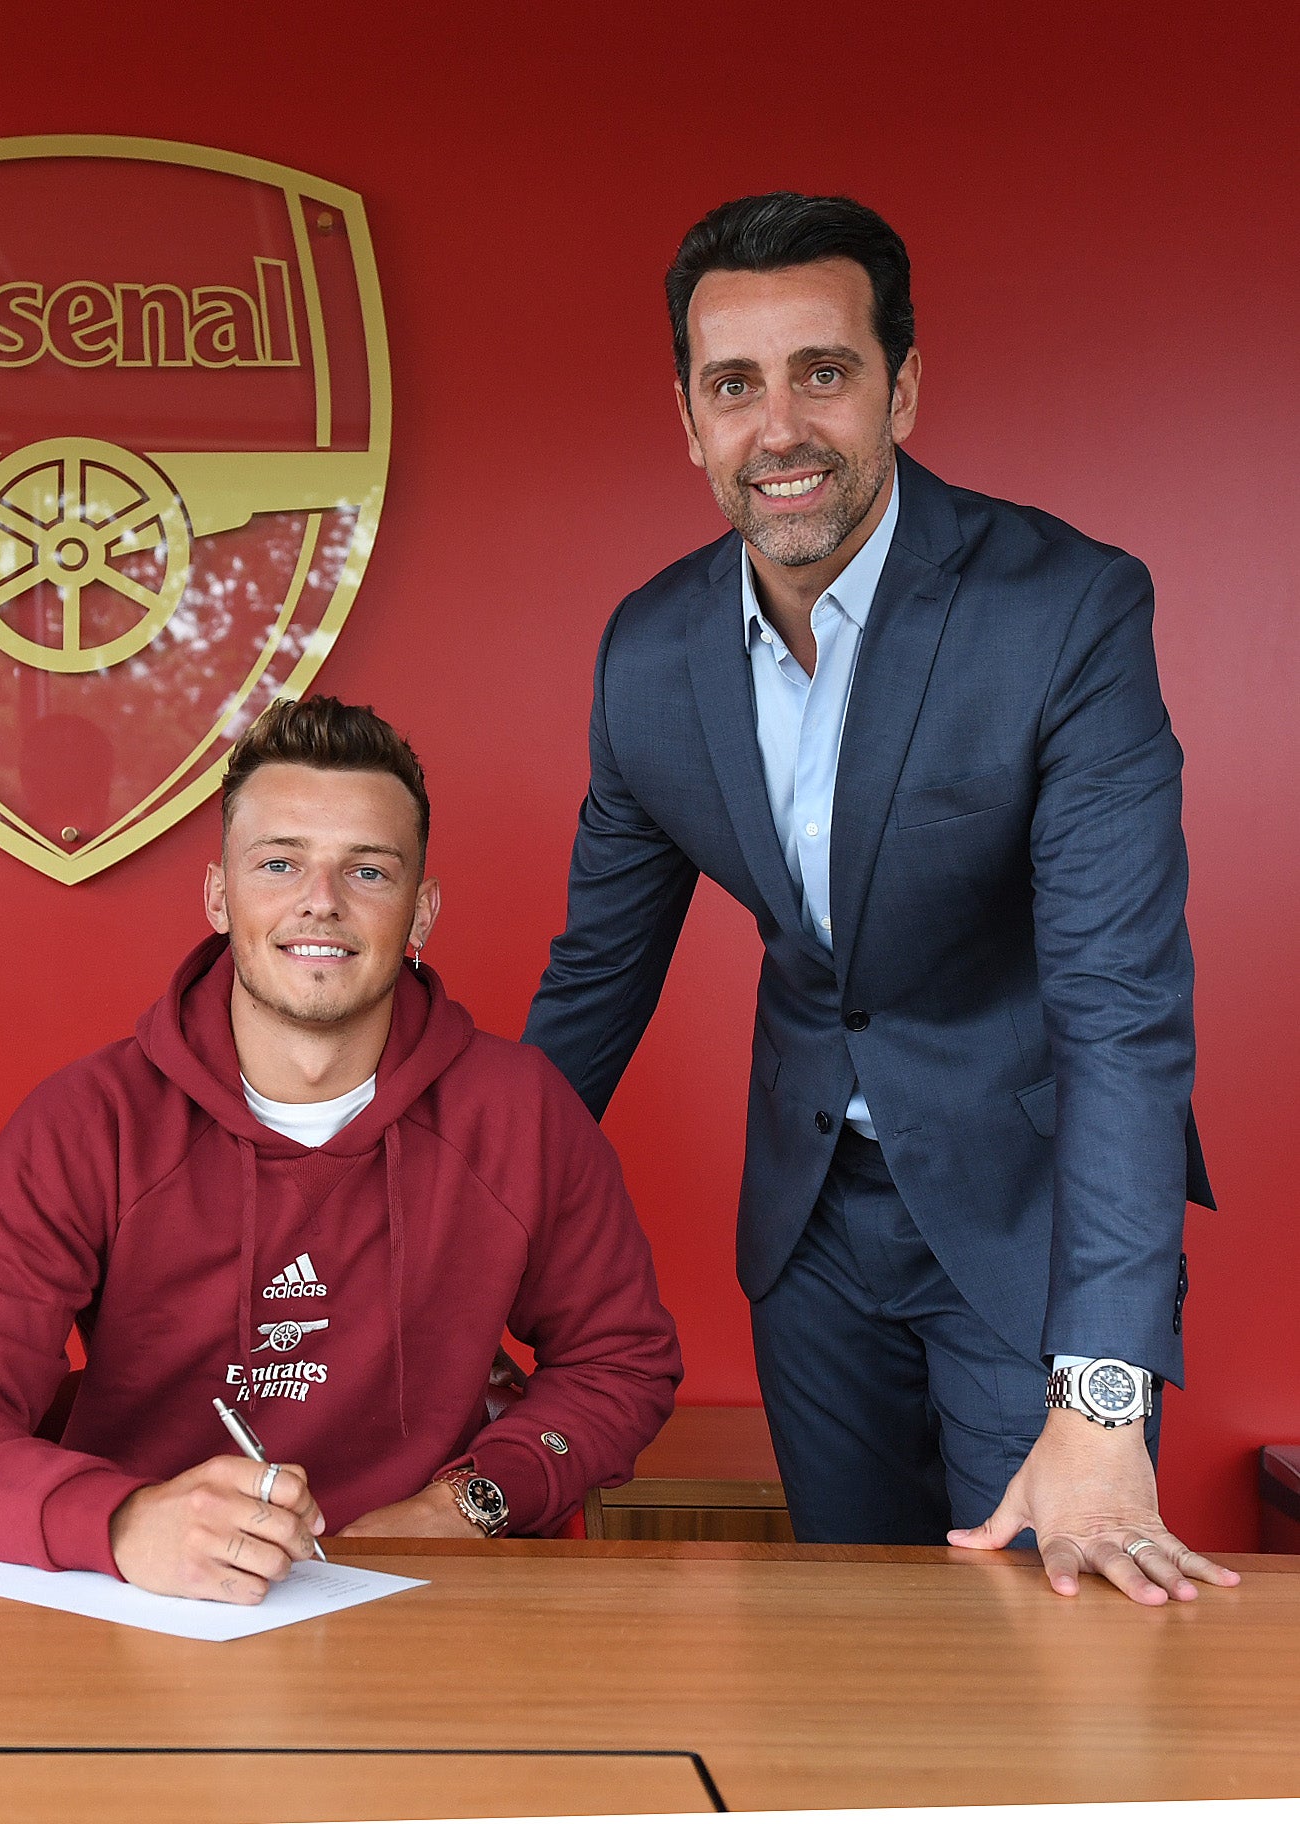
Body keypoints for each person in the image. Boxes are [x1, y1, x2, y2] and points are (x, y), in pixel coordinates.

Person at [523, 193, 1236, 1604]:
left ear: (900, 387)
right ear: (687, 418)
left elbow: (1116, 1010)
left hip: (1029, 1222)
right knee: (850, 1643)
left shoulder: (1063, 611)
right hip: (808, 1239)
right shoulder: (650, 654)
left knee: (1057, 1649)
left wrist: (1099, 1393)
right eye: (733, 386)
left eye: (822, 373)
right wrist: (440, 1239)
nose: (776, 428)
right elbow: (592, 991)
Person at [0, 697, 679, 1601]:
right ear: (220, 896)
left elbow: (622, 1363)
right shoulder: (90, 1122)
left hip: (423, 1596)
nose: (320, 903)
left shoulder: (520, 1111)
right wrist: (126, 1521)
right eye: (280, 863)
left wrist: (469, 1505)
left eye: (368, 872)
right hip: (153, 1604)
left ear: (421, 911)